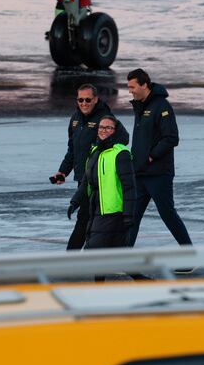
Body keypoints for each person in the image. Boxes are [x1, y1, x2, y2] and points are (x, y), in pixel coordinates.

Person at [125, 69, 193, 259]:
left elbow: (172, 137)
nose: (130, 91)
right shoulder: (141, 105)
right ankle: (123, 258)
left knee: (168, 214)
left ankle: (190, 255)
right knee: (132, 217)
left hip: (158, 174)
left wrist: (151, 156)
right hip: (140, 173)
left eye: (132, 87)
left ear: (144, 85)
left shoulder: (161, 106)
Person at [51, 84, 112, 250]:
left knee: (87, 218)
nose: (84, 103)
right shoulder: (75, 119)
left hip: (100, 179)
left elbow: (119, 142)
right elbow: (73, 150)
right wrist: (63, 171)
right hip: (83, 179)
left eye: (87, 100)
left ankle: (73, 257)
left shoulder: (105, 119)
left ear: (96, 99)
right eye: (80, 100)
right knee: (89, 219)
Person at [68, 115, 135, 251]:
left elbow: (129, 187)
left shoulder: (120, 154)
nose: (103, 130)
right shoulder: (95, 151)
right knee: (117, 248)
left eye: (108, 127)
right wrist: (75, 201)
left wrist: (128, 214)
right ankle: (132, 271)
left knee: (93, 248)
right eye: (101, 127)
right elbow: (86, 182)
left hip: (112, 210)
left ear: (115, 130)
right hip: (96, 206)